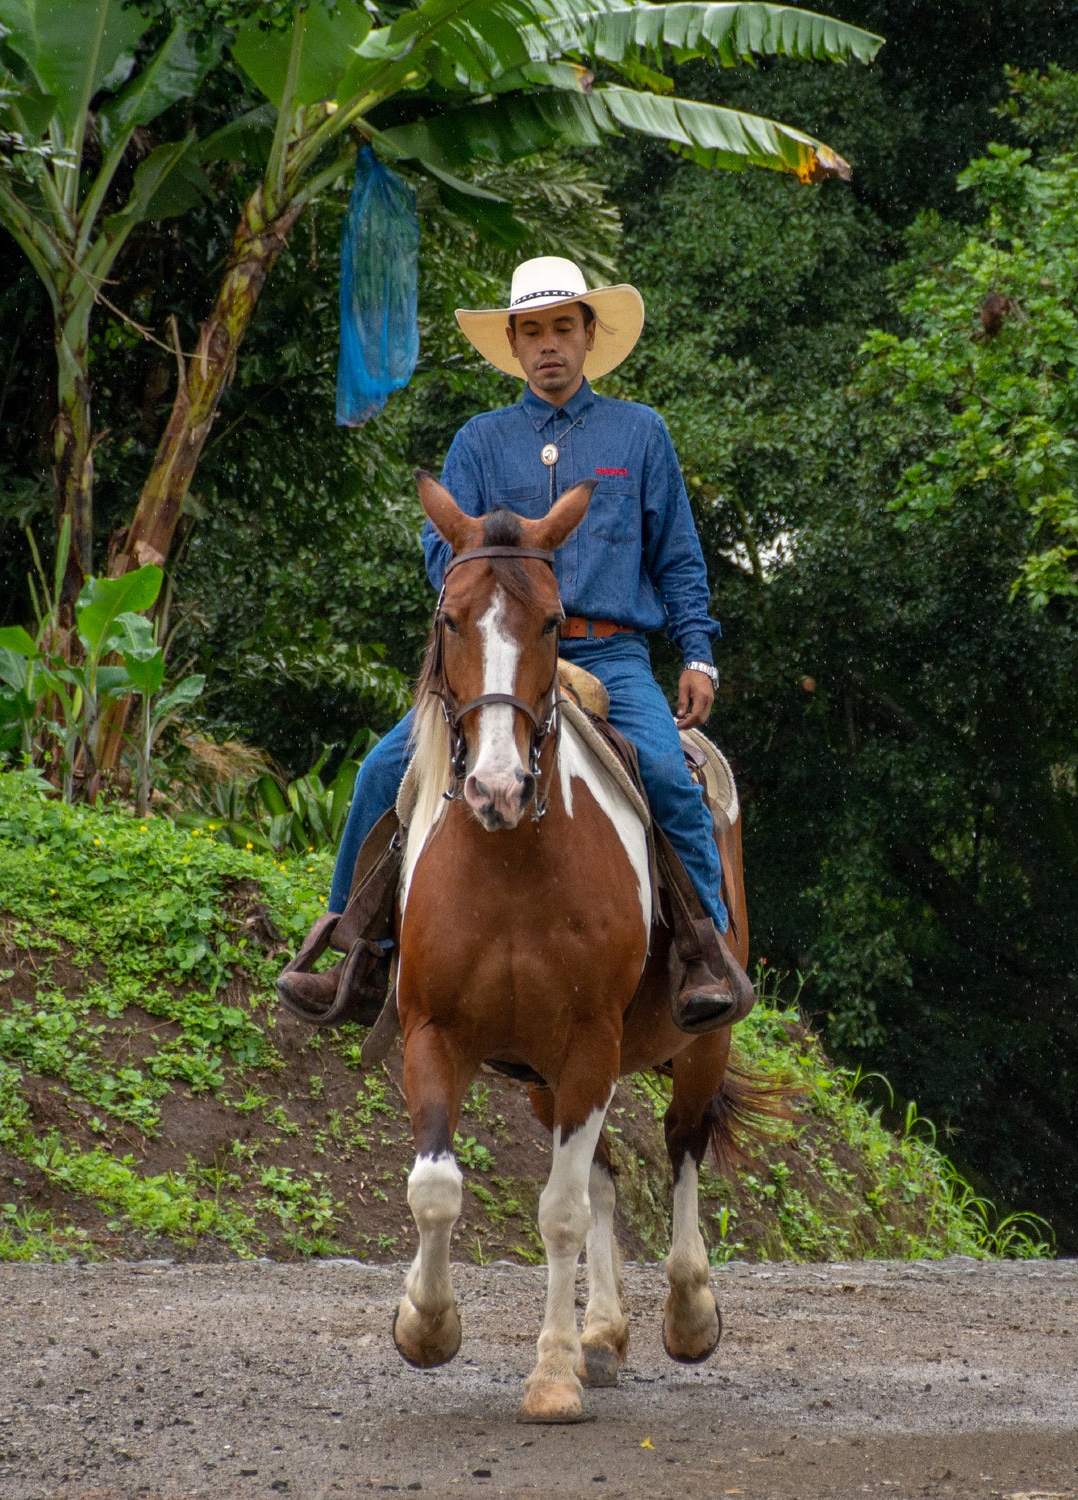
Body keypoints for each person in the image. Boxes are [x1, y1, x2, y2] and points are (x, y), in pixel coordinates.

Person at [277, 255, 754, 1034]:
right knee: (380, 772)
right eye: (532, 332)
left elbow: (678, 557)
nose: (549, 345)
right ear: (514, 342)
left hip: (610, 653)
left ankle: (703, 953)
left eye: (563, 328)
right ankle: (352, 952)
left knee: (667, 771)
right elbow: (444, 557)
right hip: (493, 660)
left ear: (589, 334)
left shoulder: (640, 433)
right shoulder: (479, 441)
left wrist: (697, 651)